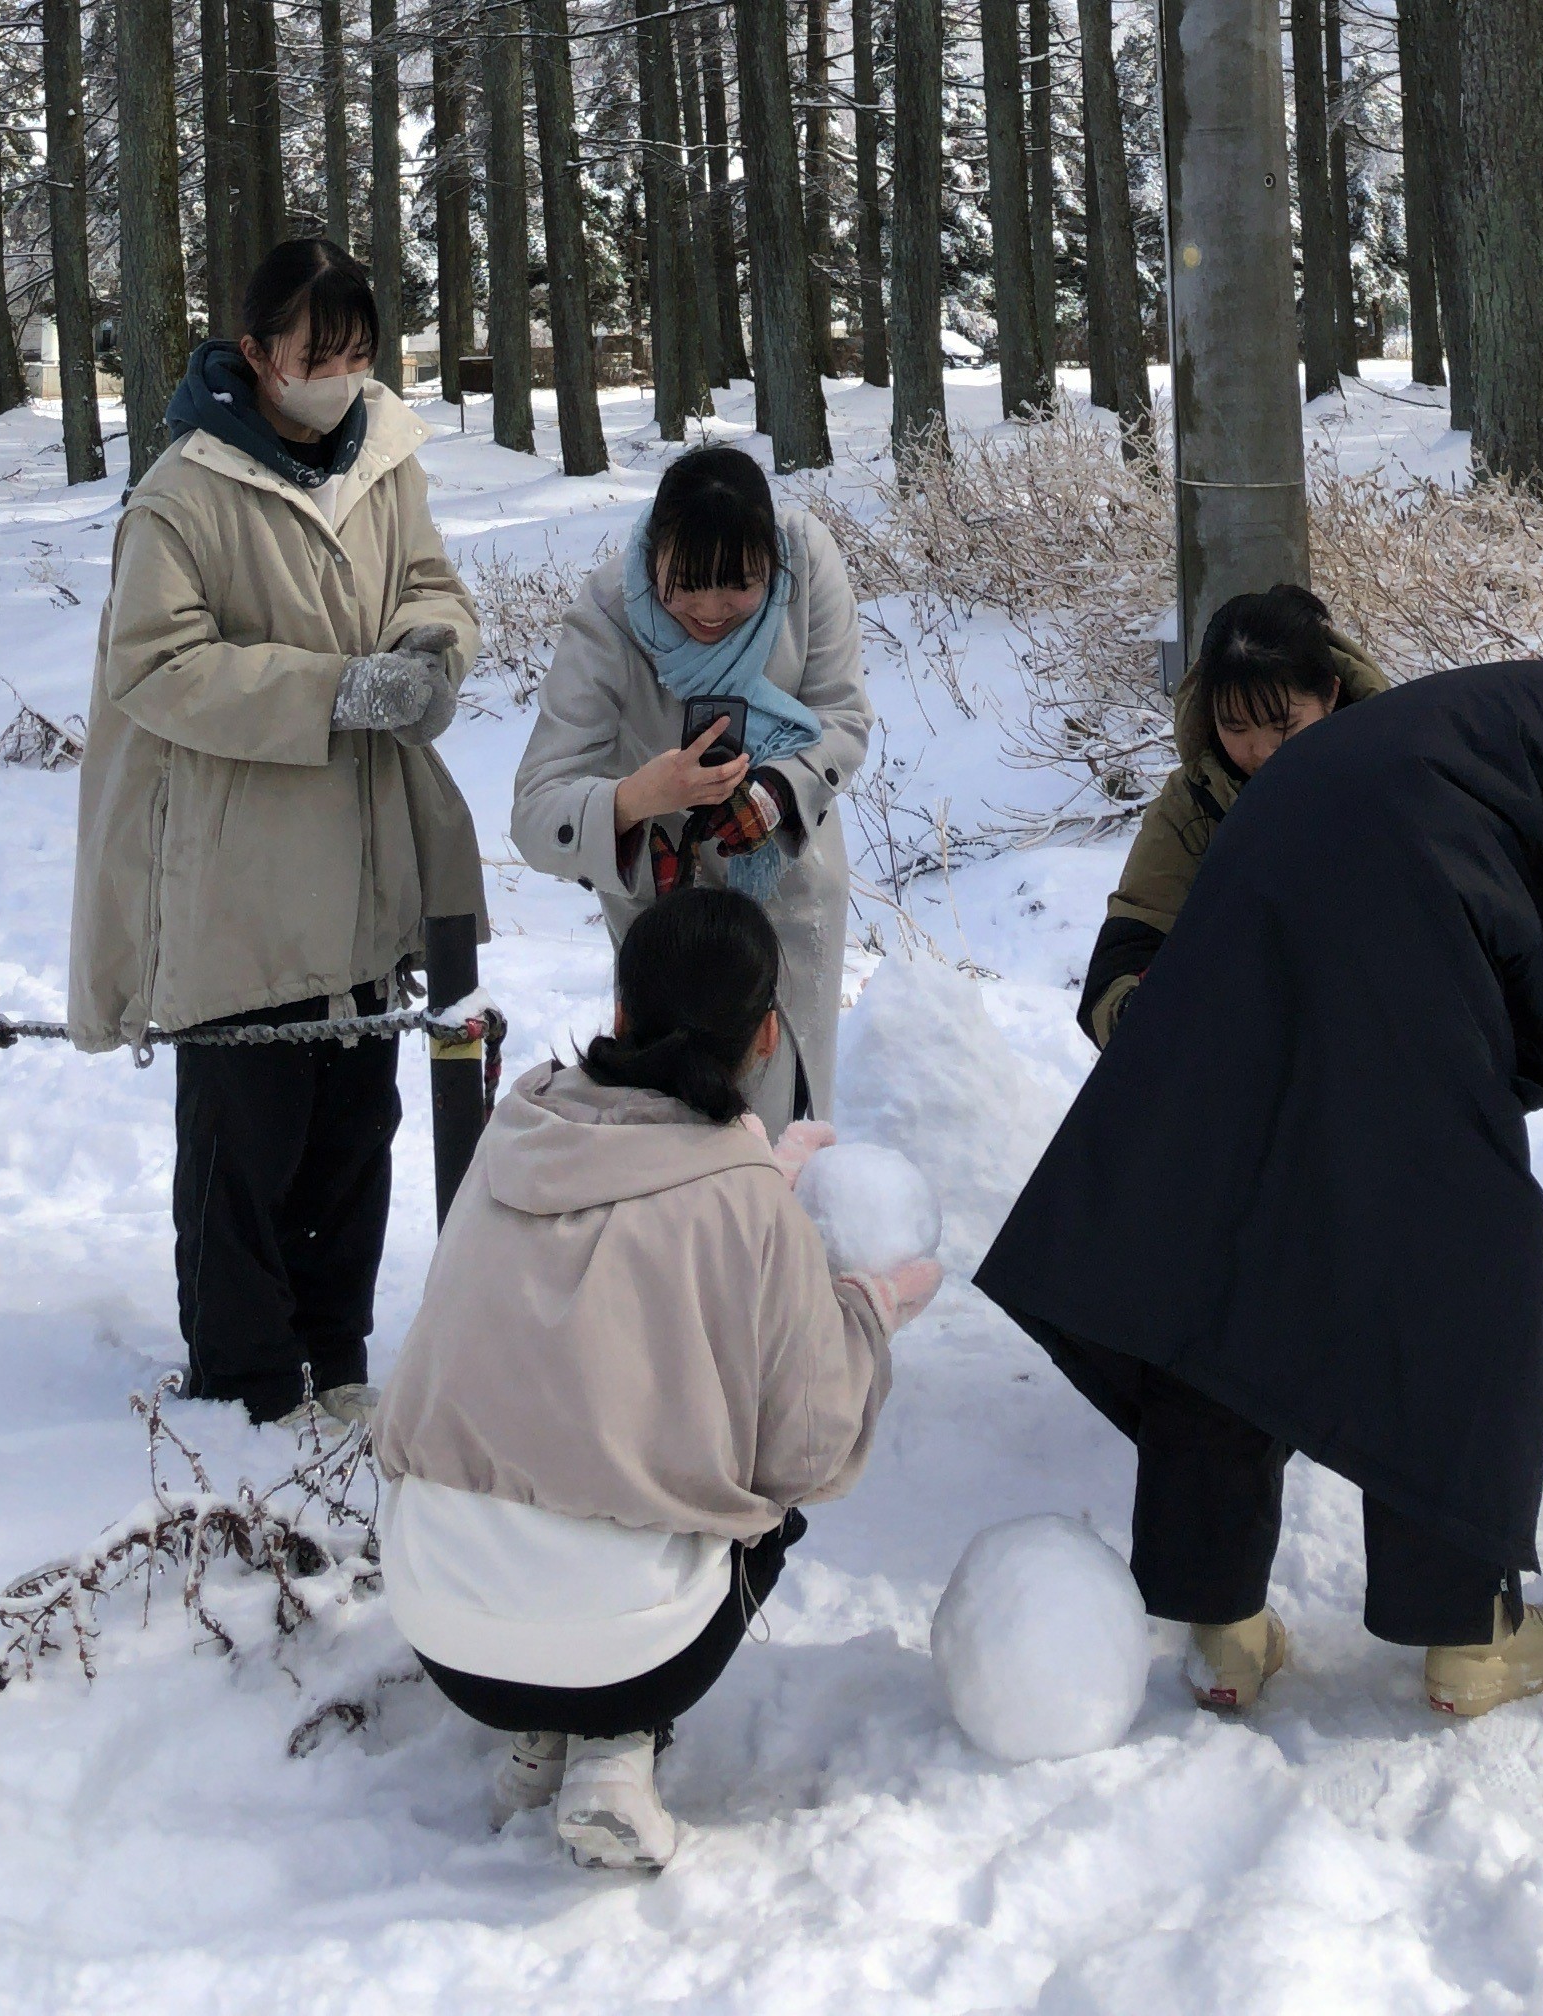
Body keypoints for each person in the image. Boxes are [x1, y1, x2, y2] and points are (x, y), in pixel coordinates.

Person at [974, 635, 1543, 1719]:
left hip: (1274, 866)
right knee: (1462, 1260)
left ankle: (1218, 1621)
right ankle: (1472, 1634)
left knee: (1238, 1226)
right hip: (1386, 906)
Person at [372, 889, 940, 1871]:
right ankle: (614, 1750)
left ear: (622, 1011)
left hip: (439, 1623)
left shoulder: (515, 1134)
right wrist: (866, 1314)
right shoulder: (746, 1202)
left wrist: (751, 1177)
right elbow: (807, 1449)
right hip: (633, 1653)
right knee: (769, 1507)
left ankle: (536, 1736)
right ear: (768, 1034)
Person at [70, 238, 483, 1431]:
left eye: (358, 355)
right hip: (238, 869)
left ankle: (334, 1352)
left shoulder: (384, 464)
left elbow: (431, 584)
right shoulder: (183, 493)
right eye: (318, 356)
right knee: (247, 1139)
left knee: (357, 1125)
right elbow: (155, 666)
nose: (341, 378)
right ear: (255, 354)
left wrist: (428, 653)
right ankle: (246, 1376)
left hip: (362, 854)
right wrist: (332, 693)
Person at [512, 446, 873, 1121]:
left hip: (788, 901)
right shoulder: (610, 614)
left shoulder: (806, 561)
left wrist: (772, 794)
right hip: (666, 930)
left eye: (738, 583)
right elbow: (536, 809)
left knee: (779, 1129)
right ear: (652, 560)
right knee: (674, 1133)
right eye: (685, 583)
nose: (709, 608)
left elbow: (842, 716)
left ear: (773, 560)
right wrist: (639, 800)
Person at [1081, 584, 1388, 1048]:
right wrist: (1143, 1015)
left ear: (1331, 695)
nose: (1261, 752)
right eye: (1235, 727)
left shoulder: (1400, 777)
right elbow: (1123, 957)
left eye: (1284, 725)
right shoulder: (1191, 807)